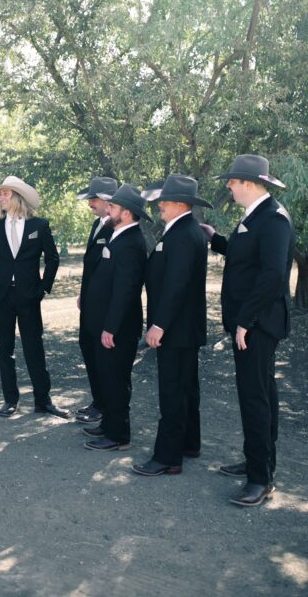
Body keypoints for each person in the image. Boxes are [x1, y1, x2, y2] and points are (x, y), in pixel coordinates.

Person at [201, 154, 295, 506]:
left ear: (252, 184)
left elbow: (272, 275)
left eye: (234, 181)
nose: (229, 186)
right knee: (261, 393)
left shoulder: (273, 219)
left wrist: (245, 320)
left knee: (254, 396)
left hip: (257, 324)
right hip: (252, 322)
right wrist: (216, 240)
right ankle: (258, 462)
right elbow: (245, 258)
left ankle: (260, 479)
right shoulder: (255, 216)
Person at [133, 175, 211, 477]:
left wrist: (159, 325)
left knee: (173, 391)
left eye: (164, 201)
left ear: (180, 204)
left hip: (176, 329)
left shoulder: (182, 234)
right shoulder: (183, 230)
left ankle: (168, 457)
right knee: (187, 388)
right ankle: (190, 443)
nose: (160, 205)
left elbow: (177, 285)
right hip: (184, 328)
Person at [0, 176, 68, 419]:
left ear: (18, 197)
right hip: (1, 296)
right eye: (1, 194)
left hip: (29, 295)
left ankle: (43, 401)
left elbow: (52, 259)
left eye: (5, 193)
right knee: (4, 350)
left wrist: (44, 288)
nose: (1, 197)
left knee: (34, 348)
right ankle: (10, 401)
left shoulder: (39, 225)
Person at [81, 184, 148, 451]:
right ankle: (109, 425)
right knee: (107, 377)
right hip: (103, 322)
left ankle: (119, 435)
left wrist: (110, 327)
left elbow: (125, 290)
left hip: (118, 327)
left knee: (117, 380)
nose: (107, 210)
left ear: (128, 213)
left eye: (113, 207)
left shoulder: (132, 242)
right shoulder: (117, 234)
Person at [74, 177, 118, 425]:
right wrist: (84, 293)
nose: (90, 203)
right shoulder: (96, 224)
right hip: (89, 303)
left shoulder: (116, 227)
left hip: (105, 306)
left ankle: (105, 406)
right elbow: (91, 267)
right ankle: (98, 400)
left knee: (103, 357)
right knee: (88, 350)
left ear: (108, 200)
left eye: (94, 198)